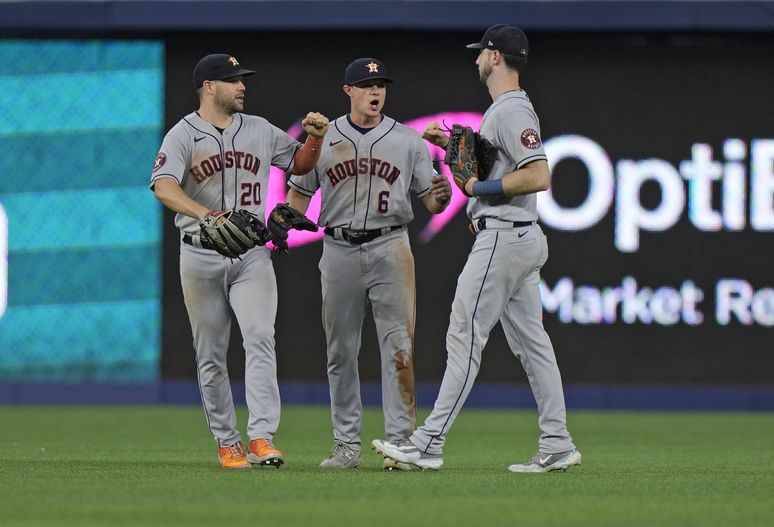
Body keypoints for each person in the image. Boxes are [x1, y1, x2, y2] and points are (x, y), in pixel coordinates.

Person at [372, 26, 582, 473]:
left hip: (504, 237)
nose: (475, 61)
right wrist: (452, 146)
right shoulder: (505, 110)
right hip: (519, 235)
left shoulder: (510, 110)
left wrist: (476, 185)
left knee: (464, 335)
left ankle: (428, 442)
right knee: (533, 345)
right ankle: (558, 442)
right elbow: (500, 160)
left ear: (494, 56)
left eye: (480, 54)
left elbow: (538, 174)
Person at [150, 53, 329, 469]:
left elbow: (299, 162)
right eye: (232, 80)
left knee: (260, 337)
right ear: (209, 87)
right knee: (210, 353)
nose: (242, 86)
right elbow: (162, 186)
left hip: (251, 254)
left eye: (242, 79)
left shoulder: (259, 129)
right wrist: (207, 214)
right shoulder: (183, 135)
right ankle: (227, 442)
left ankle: (262, 437)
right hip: (200, 253)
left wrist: (315, 139)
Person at [286, 57, 452, 470]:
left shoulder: (408, 140)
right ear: (349, 91)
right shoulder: (324, 138)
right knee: (340, 351)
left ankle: (400, 444)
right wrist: (285, 219)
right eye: (366, 84)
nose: (375, 91)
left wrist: (441, 197)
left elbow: (430, 200)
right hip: (338, 248)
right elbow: (299, 196)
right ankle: (346, 445)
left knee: (398, 347)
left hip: (390, 246)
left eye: (380, 85)